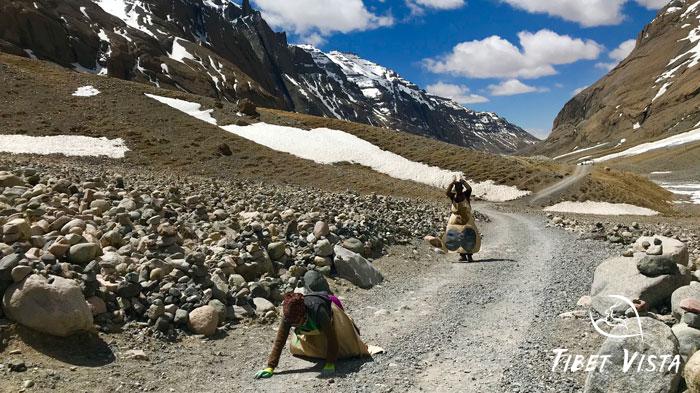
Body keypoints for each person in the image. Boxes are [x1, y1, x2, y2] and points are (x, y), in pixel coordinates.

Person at [254, 289, 370, 379]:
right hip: (312, 320)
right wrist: (270, 366)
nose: (294, 326)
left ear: (303, 315)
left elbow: (331, 337)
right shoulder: (289, 316)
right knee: (298, 348)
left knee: (348, 347)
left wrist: (330, 362)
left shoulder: (319, 311)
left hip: (332, 307)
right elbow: (280, 339)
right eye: (292, 324)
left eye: (297, 323)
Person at [444, 177, 481, 262]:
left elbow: (469, 188)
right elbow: (447, 192)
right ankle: (463, 255)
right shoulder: (453, 196)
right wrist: (451, 184)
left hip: (467, 218)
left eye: (459, 188)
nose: (458, 189)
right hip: (456, 219)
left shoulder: (466, 194)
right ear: (455, 189)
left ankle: (469, 255)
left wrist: (463, 181)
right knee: (458, 236)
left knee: (469, 236)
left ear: (462, 188)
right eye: (457, 188)